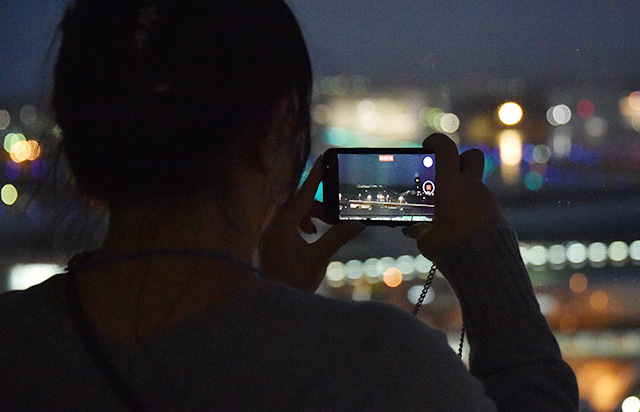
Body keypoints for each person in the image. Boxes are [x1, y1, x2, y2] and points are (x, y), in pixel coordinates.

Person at [0, 0, 578, 410]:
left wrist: (269, 291)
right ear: (273, 131)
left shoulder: (18, 345)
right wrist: (487, 262)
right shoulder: (381, 368)